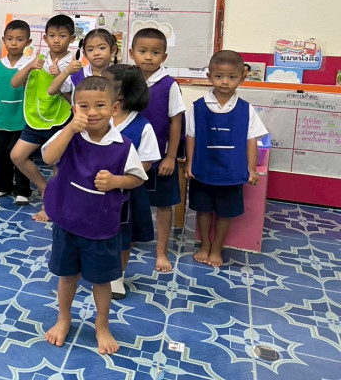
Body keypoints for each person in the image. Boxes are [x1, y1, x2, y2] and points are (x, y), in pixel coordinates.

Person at [41, 76, 146, 353]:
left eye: (100, 105)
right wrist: (69, 129)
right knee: (67, 276)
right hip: (67, 222)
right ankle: (64, 318)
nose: (92, 112)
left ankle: (102, 325)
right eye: (84, 106)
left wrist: (116, 181)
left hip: (101, 227)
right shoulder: (70, 137)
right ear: (74, 108)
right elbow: (49, 158)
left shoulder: (123, 145)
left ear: (114, 108)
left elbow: (137, 178)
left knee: (101, 281)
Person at [185, 50, 267, 267]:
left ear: (242, 78)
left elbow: (251, 140)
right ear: (209, 76)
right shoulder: (198, 107)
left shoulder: (246, 109)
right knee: (203, 209)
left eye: (232, 77)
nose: (224, 82)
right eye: (219, 76)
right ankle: (205, 245)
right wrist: (189, 163)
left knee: (224, 213)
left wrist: (251, 169)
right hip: (203, 169)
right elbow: (191, 136)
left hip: (231, 172)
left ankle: (217, 248)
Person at [129, 28, 186, 273]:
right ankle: (129, 237)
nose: (148, 57)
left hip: (160, 157)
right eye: (142, 51)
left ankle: (161, 250)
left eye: (155, 52)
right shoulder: (128, 81)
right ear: (131, 53)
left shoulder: (169, 85)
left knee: (163, 204)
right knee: (129, 198)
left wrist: (171, 157)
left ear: (164, 57)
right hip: (130, 155)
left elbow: (176, 121)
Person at [10, 14, 77, 220]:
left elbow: (74, 98)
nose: (56, 40)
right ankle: (43, 187)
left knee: (57, 165)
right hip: (36, 119)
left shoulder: (74, 64)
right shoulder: (37, 59)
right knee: (17, 156)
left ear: (72, 39)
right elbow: (14, 83)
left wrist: (61, 74)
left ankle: (51, 206)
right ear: (45, 37)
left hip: (60, 121)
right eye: (52, 35)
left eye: (62, 36)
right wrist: (30, 66)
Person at [102, 64, 159, 299]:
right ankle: (97, 268)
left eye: (105, 84)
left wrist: (118, 179)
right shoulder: (99, 117)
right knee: (96, 230)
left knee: (123, 236)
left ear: (121, 94)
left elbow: (146, 164)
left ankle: (117, 276)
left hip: (126, 192)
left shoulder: (142, 126)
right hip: (96, 189)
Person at [0, 20, 34, 202]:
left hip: (22, 119)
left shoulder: (30, 66)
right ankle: (2, 186)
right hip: (1, 118)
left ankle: (22, 190)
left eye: (19, 39)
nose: (14, 43)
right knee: (1, 156)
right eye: (10, 39)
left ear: (28, 42)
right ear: (4, 40)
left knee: (22, 156)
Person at [49, 28, 118, 99]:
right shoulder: (77, 74)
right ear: (85, 54)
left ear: (113, 50)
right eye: (90, 50)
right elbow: (52, 91)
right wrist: (66, 71)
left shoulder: (117, 76)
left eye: (102, 48)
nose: (96, 53)